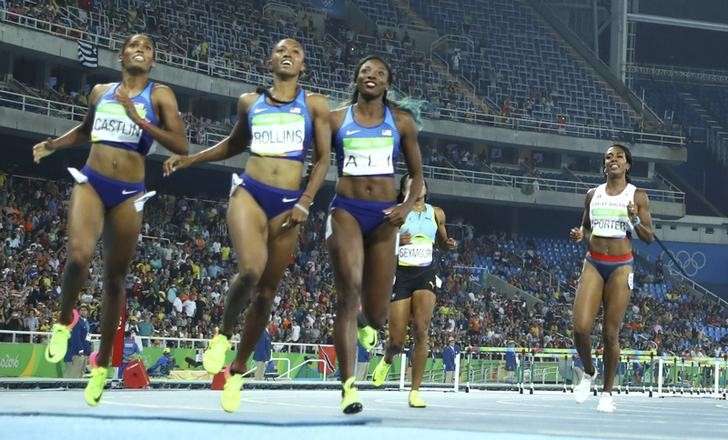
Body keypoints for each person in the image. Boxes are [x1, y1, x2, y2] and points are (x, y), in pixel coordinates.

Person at [163, 38, 331, 413]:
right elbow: (232, 144)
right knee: (251, 270)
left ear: (303, 66)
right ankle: (222, 335)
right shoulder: (249, 102)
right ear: (269, 60)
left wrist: (305, 201)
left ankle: (236, 371)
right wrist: (190, 159)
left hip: (289, 204)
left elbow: (322, 161)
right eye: (281, 50)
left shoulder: (315, 105)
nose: (287, 55)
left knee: (268, 293)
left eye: (296, 52)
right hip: (250, 192)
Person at [34, 33, 188, 406]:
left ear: (152, 62)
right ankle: (63, 320)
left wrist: (137, 118)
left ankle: (102, 364)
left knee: (115, 280)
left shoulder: (159, 95)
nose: (141, 49)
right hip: (93, 181)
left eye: (149, 48)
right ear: (122, 55)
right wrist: (53, 144)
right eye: (135, 45)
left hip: (129, 193)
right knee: (78, 256)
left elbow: (181, 145)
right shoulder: (101, 91)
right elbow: (87, 131)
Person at [327, 55, 424, 414]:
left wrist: (405, 206)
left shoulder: (401, 122)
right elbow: (321, 161)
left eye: (380, 73)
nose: (372, 76)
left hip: (385, 218)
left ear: (388, 84)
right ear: (356, 78)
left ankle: (369, 324)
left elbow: (417, 175)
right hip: (347, 210)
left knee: (379, 314)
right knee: (348, 290)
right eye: (366, 71)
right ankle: (348, 387)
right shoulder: (338, 119)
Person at [569, 143, 653, 413]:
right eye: (609, 157)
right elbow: (585, 225)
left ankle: (606, 393)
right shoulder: (592, 194)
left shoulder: (637, 196)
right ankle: (589, 371)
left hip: (620, 266)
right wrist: (580, 233)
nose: (613, 160)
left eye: (619, 156)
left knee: (609, 333)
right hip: (594, 262)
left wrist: (635, 220)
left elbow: (649, 237)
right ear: (604, 165)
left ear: (627, 165)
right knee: (580, 328)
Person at [371, 175, 457, 407]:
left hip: (426, 274)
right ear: (403, 191)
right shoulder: (395, 213)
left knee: (421, 329)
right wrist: (397, 241)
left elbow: (441, 242)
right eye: (411, 183)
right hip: (401, 275)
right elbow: (377, 243)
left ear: (426, 189)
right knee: (397, 341)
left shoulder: (437, 213)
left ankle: (415, 391)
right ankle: (388, 358)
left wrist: (448, 245)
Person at [63, 305, 91, 378]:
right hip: (76, 352)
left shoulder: (87, 323)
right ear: (78, 312)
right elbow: (76, 338)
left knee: (81, 373)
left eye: (85, 310)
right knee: (73, 373)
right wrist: (80, 350)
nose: (83, 311)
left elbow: (88, 338)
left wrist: (88, 352)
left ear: (88, 312)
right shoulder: (77, 322)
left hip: (84, 353)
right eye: (81, 310)